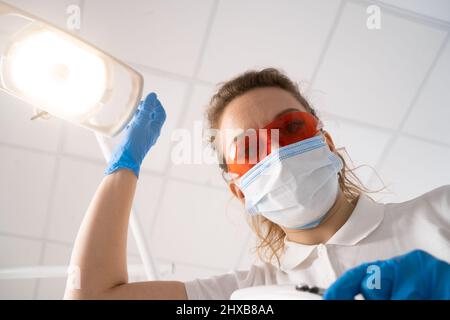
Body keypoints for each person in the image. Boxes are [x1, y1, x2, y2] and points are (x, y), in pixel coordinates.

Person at [64, 69, 450, 300]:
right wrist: (124, 166)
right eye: (249, 148)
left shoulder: (440, 212)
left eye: (291, 127)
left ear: (326, 143)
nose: (277, 153)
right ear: (240, 190)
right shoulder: (245, 296)